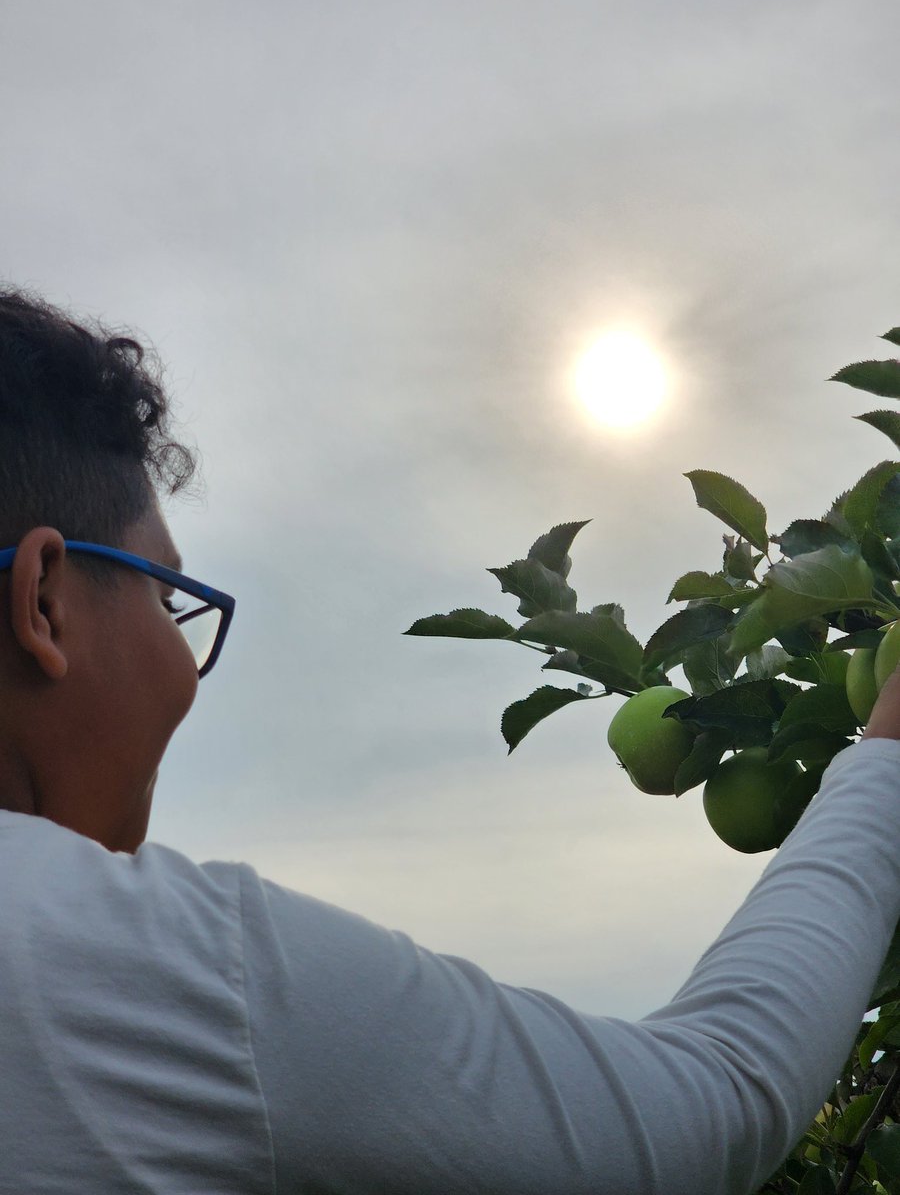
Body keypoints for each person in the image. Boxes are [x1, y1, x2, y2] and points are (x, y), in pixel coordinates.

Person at [0, 284, 899, 1195]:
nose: (188, 666)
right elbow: (717, 1102)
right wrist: (886, 754)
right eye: (168, 600)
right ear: (44, 600)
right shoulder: (174, 982)